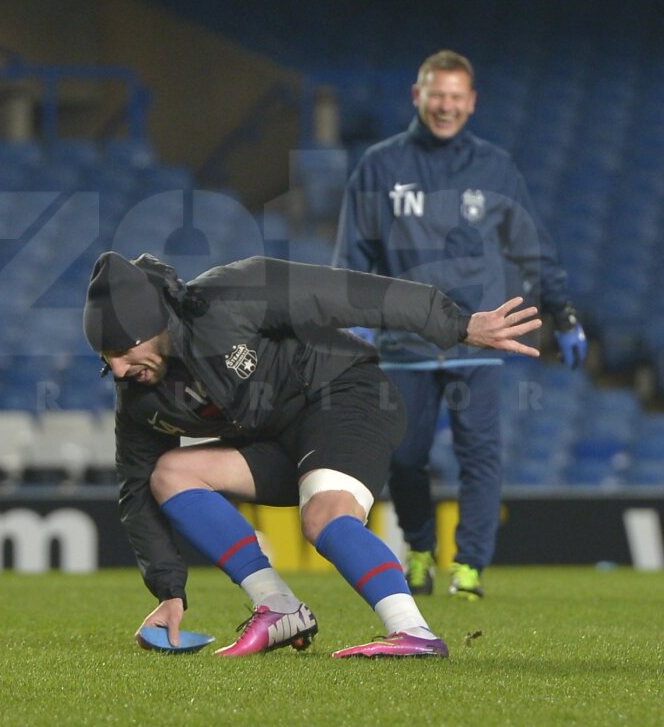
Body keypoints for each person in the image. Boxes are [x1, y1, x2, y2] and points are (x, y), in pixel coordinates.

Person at [82, 250, 541, 658]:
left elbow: (351, 293)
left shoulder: (228, 296)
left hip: (345, 395)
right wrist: (168, 591)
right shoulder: (138, 394)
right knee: (167, 474)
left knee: (322, 515)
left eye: (123, 350)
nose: (118, 369)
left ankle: (413, 632)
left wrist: (457, 325)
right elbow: (135, 486)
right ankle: (279, 608)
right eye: (107, 357)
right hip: (280, 439)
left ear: (154, 323)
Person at [332, 50, 586, 600]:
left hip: (481, 338)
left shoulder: (496, 167)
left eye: (455, 96)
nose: (445, 105)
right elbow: (354, 252)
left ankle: (468, 567)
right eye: (436, 93)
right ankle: (420, 548)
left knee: (480, 456)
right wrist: (351, 320)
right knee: (403, 457)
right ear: (417, 96)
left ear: (471, 103)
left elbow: (532, 246)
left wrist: (562, 312)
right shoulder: (379, 164)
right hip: (406, 341)